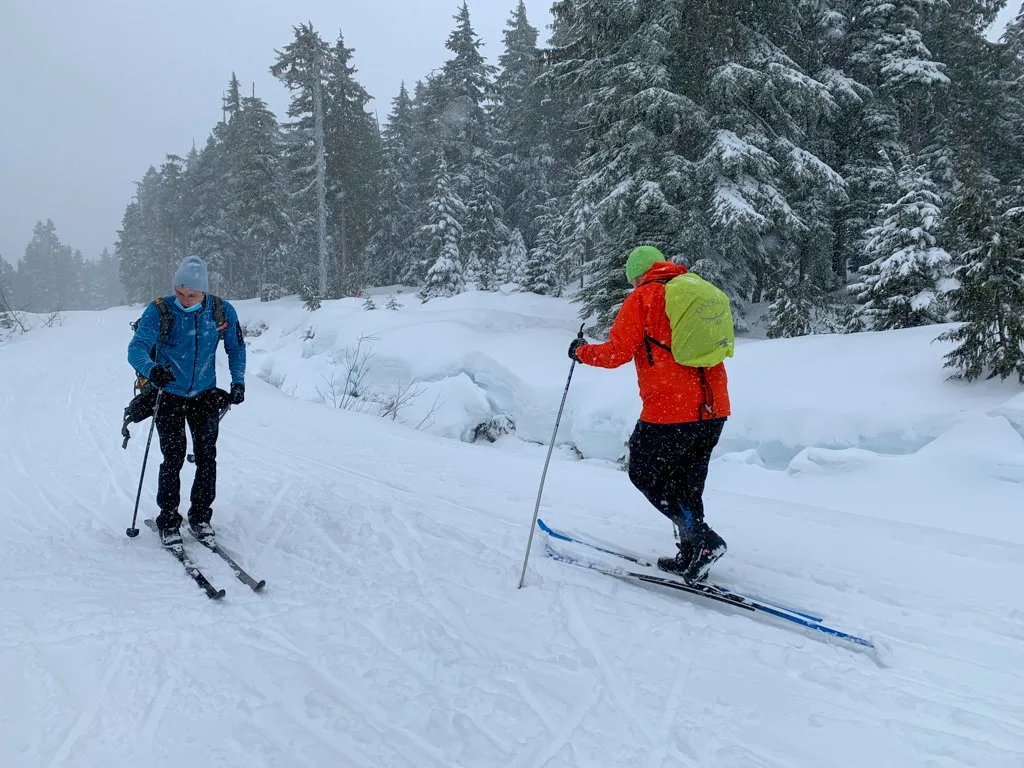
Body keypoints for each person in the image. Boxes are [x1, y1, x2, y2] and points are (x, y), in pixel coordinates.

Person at [568, 246, 731, 582]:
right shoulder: (692, 290)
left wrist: (580, 352)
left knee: (643, 472)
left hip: (671, 410)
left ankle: (701, 542)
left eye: (632, 281)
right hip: (714, 409)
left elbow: (616, 353)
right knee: (687, 484)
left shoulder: (645, 297)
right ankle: (691, 552)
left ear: (638, 275)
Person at [127, 255, 246, 547]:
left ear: (203, 291)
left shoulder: (221, 312)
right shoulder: (160, 310)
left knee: (207, 457)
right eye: (180, 292)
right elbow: (136, 348)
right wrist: (152, 370)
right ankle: (168, 519)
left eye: (192, 294)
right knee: (174, 456)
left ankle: (200, 517)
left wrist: (238, 381)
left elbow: (236, 348)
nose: (185, 299)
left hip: (205, 394)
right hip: (168, 394)